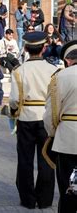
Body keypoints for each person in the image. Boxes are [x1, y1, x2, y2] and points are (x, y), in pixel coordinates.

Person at [9, 31, 59, 209]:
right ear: (44, 48)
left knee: (25, 160)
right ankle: (44, 200)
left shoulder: (19, 71)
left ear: (25, 48)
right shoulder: (54, 70)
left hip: (26, 117)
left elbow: (14, 100)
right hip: (46, 118)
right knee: (46, 159)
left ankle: (28, 200)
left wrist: (14, 112)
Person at [43, 40, 77, 213]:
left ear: (68, 60)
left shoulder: (60, 77)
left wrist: (53, 133)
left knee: (68, 189)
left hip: (67, 139)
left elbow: (51, 113)